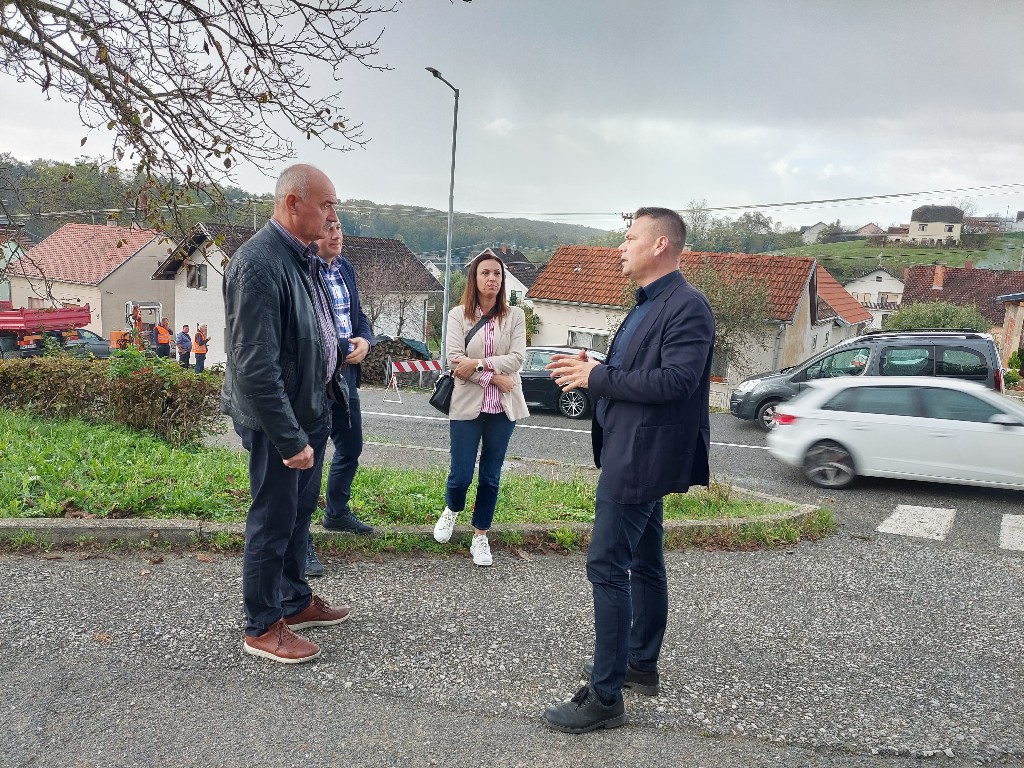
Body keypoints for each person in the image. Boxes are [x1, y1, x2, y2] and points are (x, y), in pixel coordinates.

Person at [541, 207, 715, 733]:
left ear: (660, 245)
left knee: (607, 567)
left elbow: (676, 382)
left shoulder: (687, 306)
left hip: (641, 457)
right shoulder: (648, 302)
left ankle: (605, 696)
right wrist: (594, 368)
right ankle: (640, 662)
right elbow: (634, 371)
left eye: (631, 236)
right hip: (632, 448)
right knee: (644, 559)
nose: (621, 245)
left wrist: (597, 379)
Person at [221, 163, 351, 664]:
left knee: (297, 515)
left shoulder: (302, 257)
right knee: (272, 520)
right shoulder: (259, 264)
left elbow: (310, 335)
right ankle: (261, 626)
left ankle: (294, 602)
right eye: (326, 204)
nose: (332, 215)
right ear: (293, 203)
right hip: (279, 422)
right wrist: (289, 438)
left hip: (309, 413)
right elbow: (255, 365)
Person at [431, 252, 529, 566]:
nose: (492, 279)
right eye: (485, 273)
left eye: (497, 274)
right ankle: (452, 508)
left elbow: (517, 359)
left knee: (490, 475)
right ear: (474, 278)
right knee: (461, 474)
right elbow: (454, 361)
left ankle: (480, 536)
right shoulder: (458, 315)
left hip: (503, 408)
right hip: (466, 405)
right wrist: (494, 377)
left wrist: (478, 364)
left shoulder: (515, 316)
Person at [305, 221, 375, 578]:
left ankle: (336, 513)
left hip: (346, 375)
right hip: (316, 378)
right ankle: (300, 541)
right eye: (328, 228)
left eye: (340, 229)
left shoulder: (345, 267)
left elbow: (357, 316)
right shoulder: (305, 269)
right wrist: (340, 346)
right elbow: (306, 328)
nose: (336, 235)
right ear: (312, 233)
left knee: (351, 446)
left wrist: (365, 340)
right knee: (309, 458)